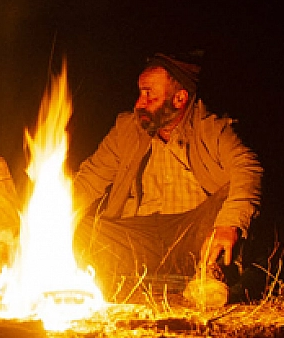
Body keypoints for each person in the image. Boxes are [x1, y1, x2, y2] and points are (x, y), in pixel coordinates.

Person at [73, 52, 262, 288]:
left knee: (230, 197)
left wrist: (228, 225)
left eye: (148, 94)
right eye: (140, 93)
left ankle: (210, 278)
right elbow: (91, 178)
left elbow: (248, 168)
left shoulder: (211, 129)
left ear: (179, 99)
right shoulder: (126, 130)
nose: (139, 103)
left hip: (195, 233)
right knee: (79, 229)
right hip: (139, 236)